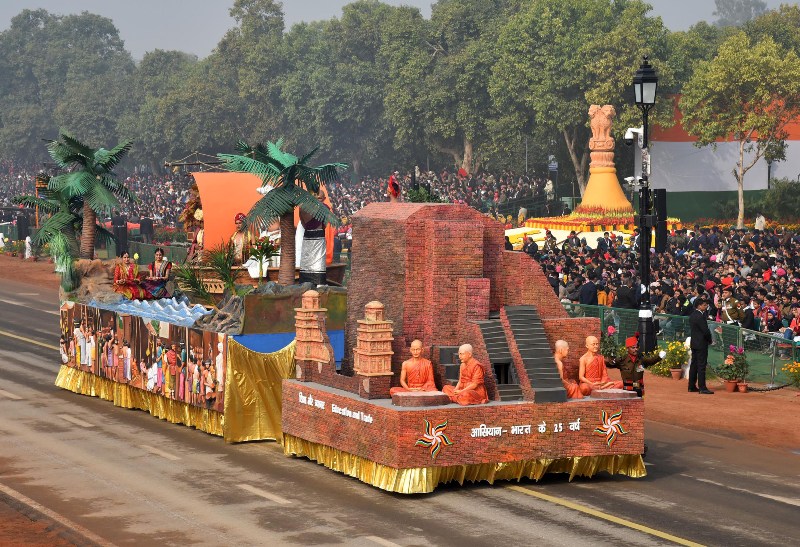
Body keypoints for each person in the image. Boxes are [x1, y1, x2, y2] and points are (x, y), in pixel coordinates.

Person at [298, 192, 328, 286]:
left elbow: (303, 223)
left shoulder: (303, 207)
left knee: (309, 260)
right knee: (314, 260)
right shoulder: (323, 208)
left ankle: (307, 283)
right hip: (317, 236)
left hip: (308, 235)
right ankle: (318, 283)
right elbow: (325, 224)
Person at [689, 298, 714, 394]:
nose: (706, 306)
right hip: (701, 344)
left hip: (694, 343)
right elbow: (705, 331)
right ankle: (702, 387)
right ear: (699, 306)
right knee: (701, 366)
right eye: (704, 305)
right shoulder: (700, 316)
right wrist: (710, 340)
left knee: (694, 365)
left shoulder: (693, 315)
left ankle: (691, 386)